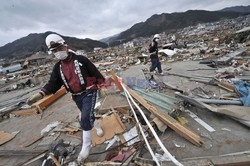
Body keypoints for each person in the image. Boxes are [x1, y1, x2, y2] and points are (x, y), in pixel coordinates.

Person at [27, 34, 105, 163]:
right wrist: (41, 94)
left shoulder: (81, 59)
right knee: (88, 114)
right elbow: (53, 83)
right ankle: (96, 126)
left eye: (59, 48)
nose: (58, 52)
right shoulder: (58, 67)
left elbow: (95, 73)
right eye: (55, 51)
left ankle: (86, 147)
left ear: (66, 46)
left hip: (89, 92)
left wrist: (101, 85)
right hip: (76, 96)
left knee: (85, 117)